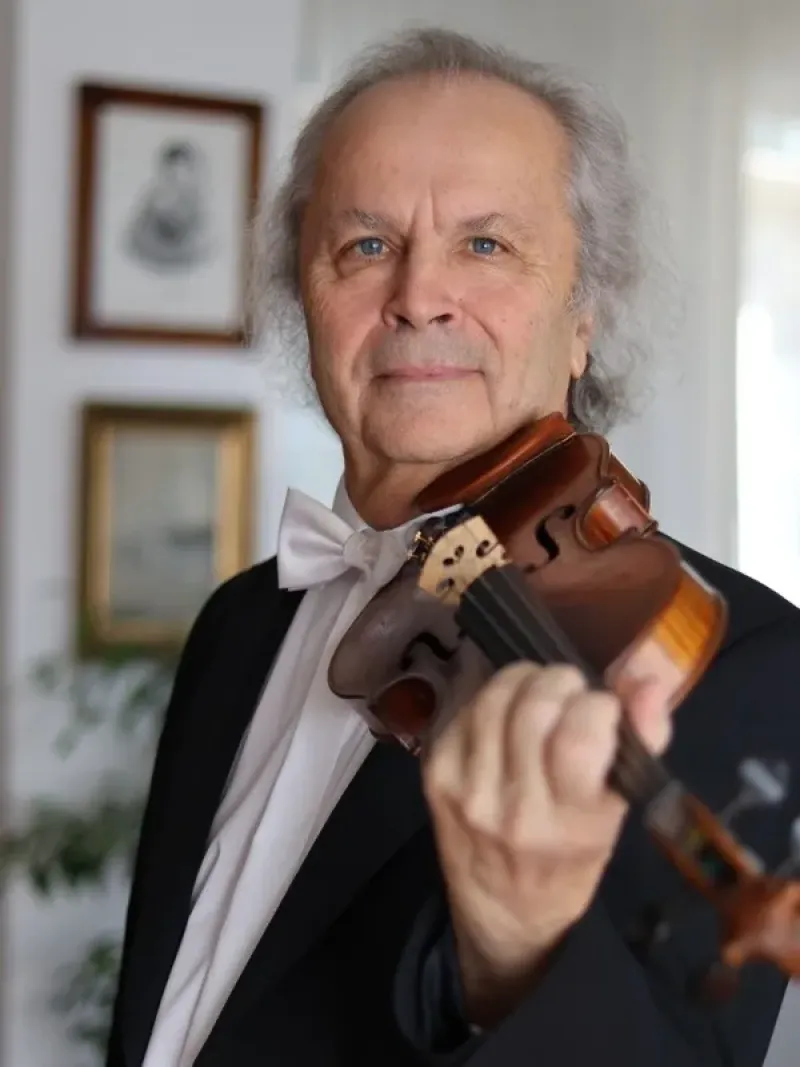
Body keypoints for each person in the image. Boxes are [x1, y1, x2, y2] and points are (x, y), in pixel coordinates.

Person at [105, 27, 800, 1067]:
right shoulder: (238, 621)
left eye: (485, 245)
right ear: (303, 299)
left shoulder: (743, 662)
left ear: (583, 319)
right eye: (365, 245)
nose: (418, 294)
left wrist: (518, 948)